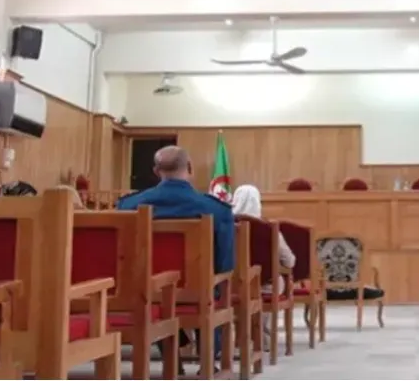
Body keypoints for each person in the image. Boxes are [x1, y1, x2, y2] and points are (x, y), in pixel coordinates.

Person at [118, 145, 235, 373]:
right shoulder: (216, 209)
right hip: (199, 293)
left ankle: (171, 357)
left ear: (155, 171)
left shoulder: (128, 206)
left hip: (148, 292)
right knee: (210, 285)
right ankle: (207, 358)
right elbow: (225, 263)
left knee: (156, 294)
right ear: (190, 167)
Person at [230, 184, 296, 347]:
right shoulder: (269, 229)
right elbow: (289, 261)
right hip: (264, 286)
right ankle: (262, 337)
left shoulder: (222, 226)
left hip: (228, 287)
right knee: (274, 282)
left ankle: (236, 338)